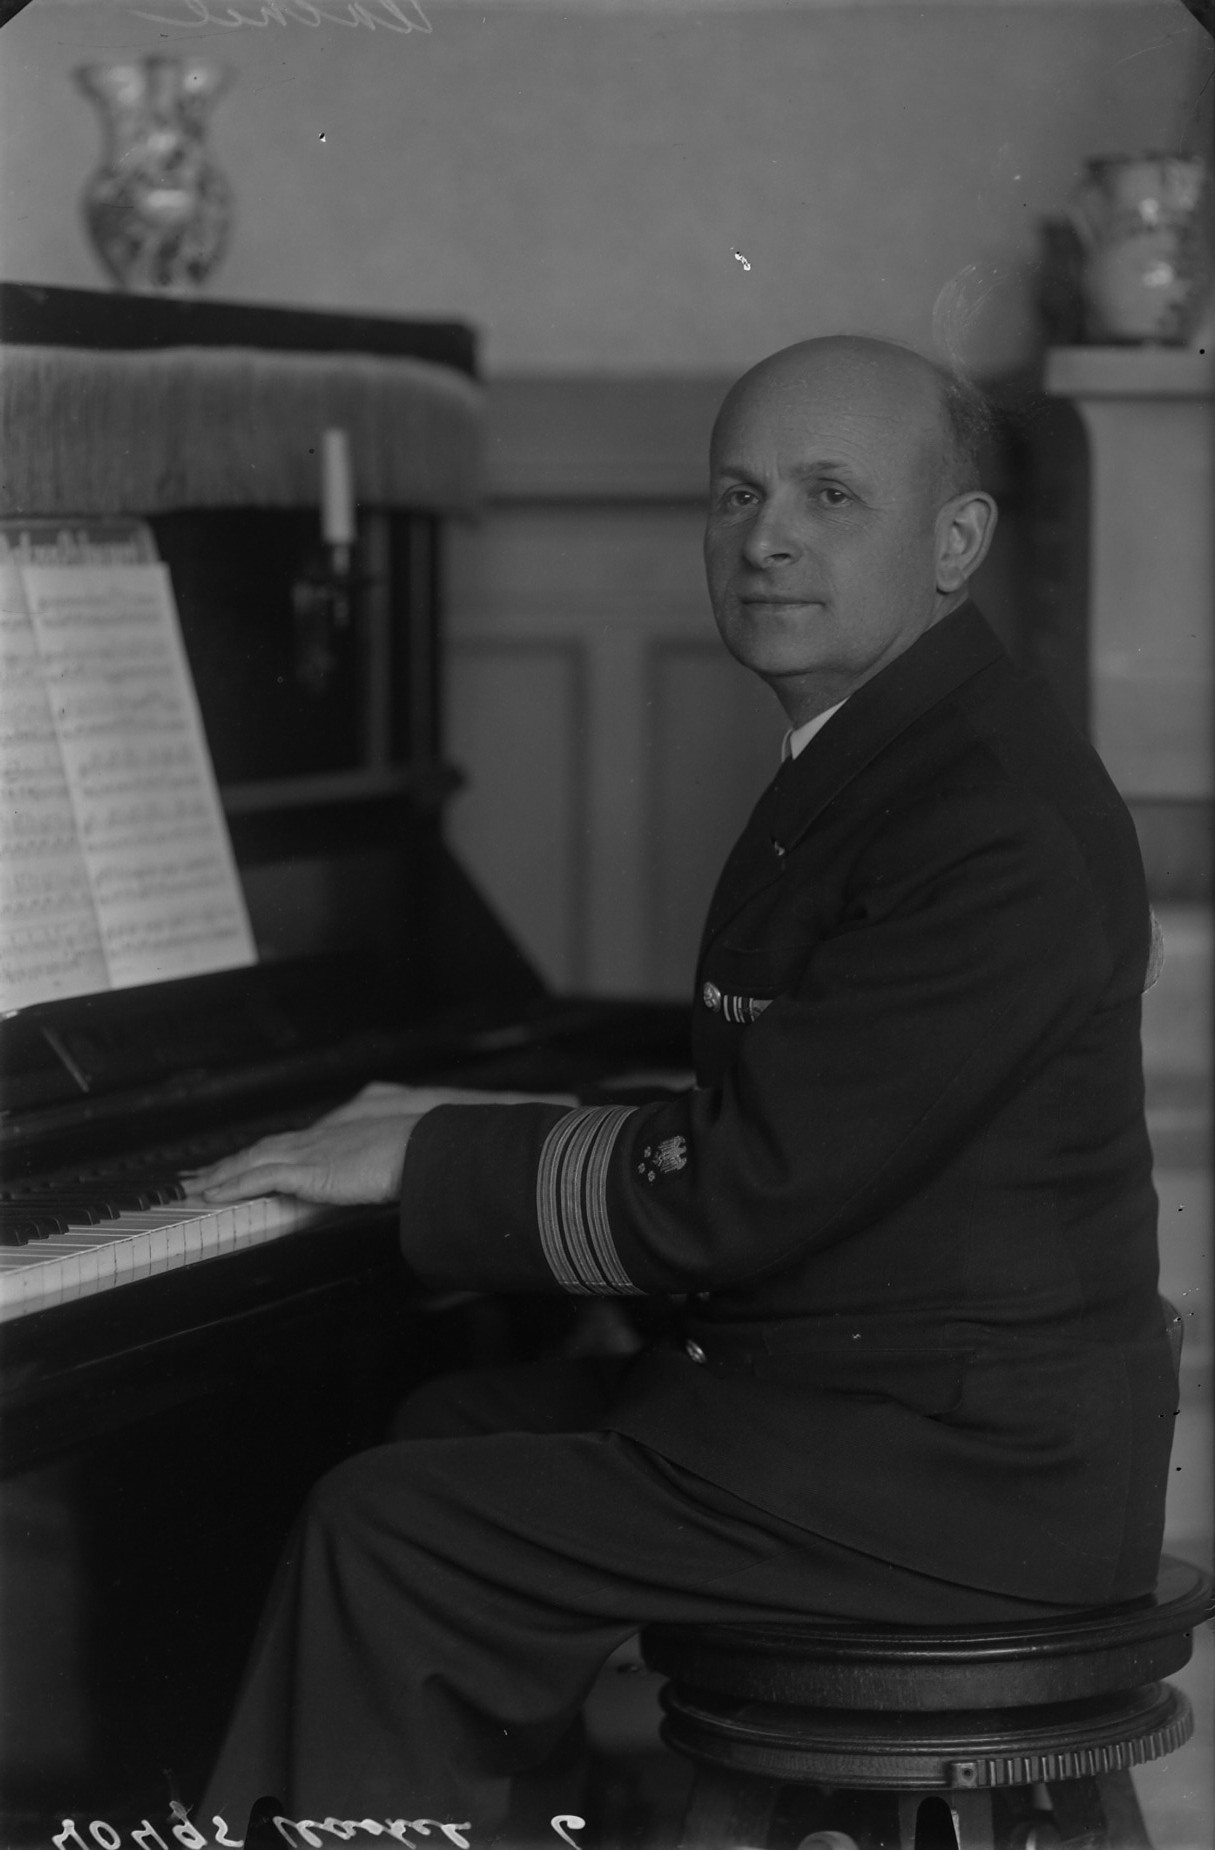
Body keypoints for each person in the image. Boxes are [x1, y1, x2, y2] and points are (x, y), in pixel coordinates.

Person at [190, 336, 1174, 1844]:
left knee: (389, 1532)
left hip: (958, 1483)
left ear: (956, 541)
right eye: (736, 493)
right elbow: (822, 1107)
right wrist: (458, 1133)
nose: (765, 537)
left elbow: (747, 1184)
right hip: (886, 1419)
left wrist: (431, 1151)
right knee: (441, 1423)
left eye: (830, 495)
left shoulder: (988, 822)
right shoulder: (899, 749)